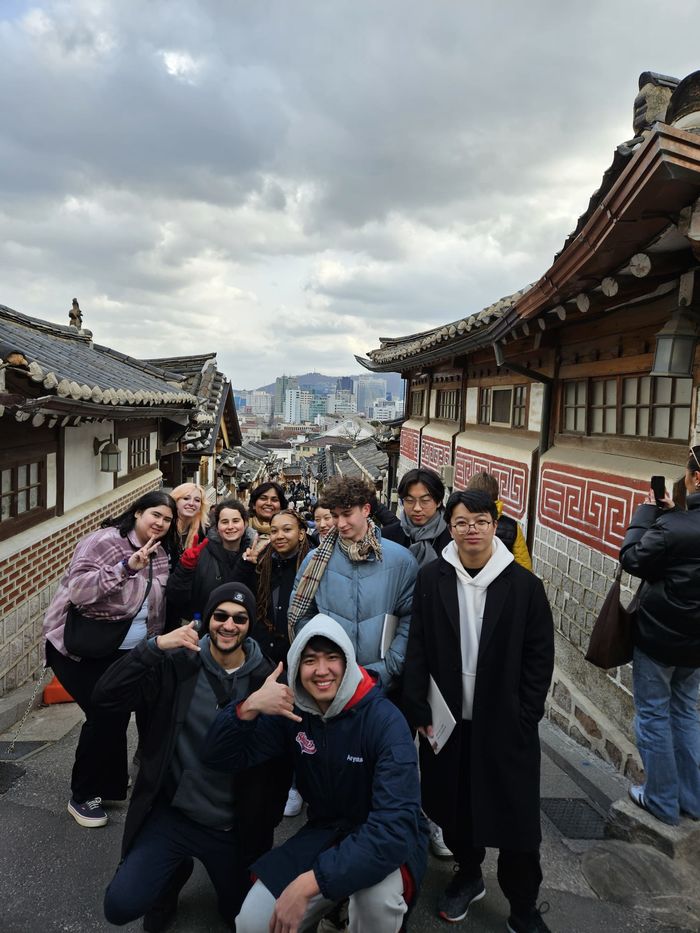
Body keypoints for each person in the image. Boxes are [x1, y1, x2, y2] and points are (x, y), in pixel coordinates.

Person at [204, 614, 429, 933]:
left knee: (376, 904)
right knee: (251, 923)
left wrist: (312, 882)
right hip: (326, 831)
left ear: (348, 662)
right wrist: (248, 707)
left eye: (332, 658)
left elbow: (394, 829)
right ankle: (336, 906)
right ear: (296, 665)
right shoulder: (293, 712)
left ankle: (344, 908)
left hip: (382, 838)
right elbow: (218, 756)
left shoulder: (385, 721)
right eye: (309, 660)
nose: (321, 670)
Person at [96, 583, 290, 931]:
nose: (229, 625)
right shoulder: (178, 664)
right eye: (220, 616)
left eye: (239, 618)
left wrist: (266, 820)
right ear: (208, 619)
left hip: (231, 828)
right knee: (120, 906)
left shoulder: (267, 680)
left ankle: (216, 877)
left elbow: (280, 764)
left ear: (249, 625)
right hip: (174, 816)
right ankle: (172, 872)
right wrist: (154, 647)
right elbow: (105, 698)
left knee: (245, 919)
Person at [403, 489, 554, 932]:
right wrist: (417, 709)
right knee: (455, 808)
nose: (472, 530)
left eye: (481, 521)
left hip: (505, 724)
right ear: (450, 527)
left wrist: (526, 715)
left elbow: (538, 656)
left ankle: (523, 905)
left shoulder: (523, 585)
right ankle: (468, 875)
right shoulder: (433, 578)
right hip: (449, 722)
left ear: (495, 526)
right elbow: (419, 647)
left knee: (517, 822)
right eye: (462, 522)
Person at [43, 490, 176, 828]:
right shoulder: (104, 542)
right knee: (104, 713)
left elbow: (155, 608)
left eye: (167, 519)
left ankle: (110, 785)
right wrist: (126, 567)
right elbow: (79, 591)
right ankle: (83, 795)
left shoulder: (162, 554)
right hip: (79, 648)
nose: (160, 523)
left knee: (116, 714)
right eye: (155, 515)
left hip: (127, 651)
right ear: (137, 513)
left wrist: (151, 649)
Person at [619, 449, 700, 826]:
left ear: (696, 479)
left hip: (659, 639)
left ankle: (662, 801)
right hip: (695, 647)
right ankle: (692, 799)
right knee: (686, 713)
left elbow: (633, 558)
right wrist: (671, 515)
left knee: (653, 714)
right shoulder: (679, 523)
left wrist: (646, 514)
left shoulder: (674, 528)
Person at [288, 477, 418, 693]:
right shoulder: (315, 561)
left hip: (380, 683)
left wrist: (388, 667)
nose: (340, 524)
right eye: (335, 516)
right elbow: (302, 616)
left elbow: (410, 618)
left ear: (366, 510)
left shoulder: (401, 561)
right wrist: (325, 664)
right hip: (329, 682)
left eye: (347, 514)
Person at [166, 498, 255, 626]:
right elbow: (175, 596)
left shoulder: (253, 556)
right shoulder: (200, 554)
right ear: (217, 527)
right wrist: (184, 569)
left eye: (236, 521)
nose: (230, 526)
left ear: (245, 523)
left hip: (238, 628)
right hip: (202, 631)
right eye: (224, 522)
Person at [466, 472, 532, 570]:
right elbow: (523, 563)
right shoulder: (512, 526)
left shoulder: (460, 523)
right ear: (496, 495)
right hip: (504, 581)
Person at [395, 468, 452, 566]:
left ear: (438, 502)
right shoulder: (388, 537)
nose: (417, 508)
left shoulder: (453, 538)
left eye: (425, 501)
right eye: (409, 500)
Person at [170, 482, 209, 563]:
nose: (191, 503)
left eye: (197, 500)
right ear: (175, 501)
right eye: (186, 498)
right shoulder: (166, 528)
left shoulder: (205, 531)